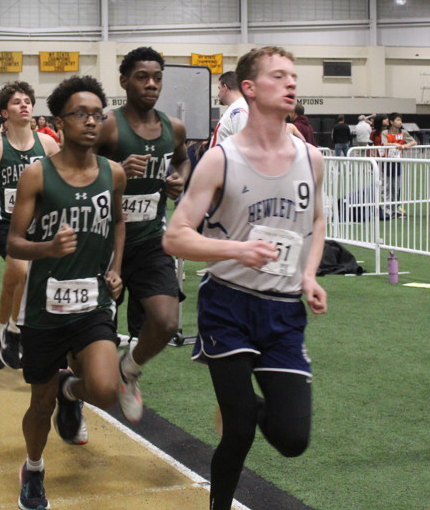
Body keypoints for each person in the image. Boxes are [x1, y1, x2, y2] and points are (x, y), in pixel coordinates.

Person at [163, 46, 327, 510]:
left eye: (293, 75)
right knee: (237, 432)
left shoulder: (312, 158)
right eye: (279, 76)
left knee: (292, 439)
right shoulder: (221, 160)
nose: (291, 83)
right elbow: (175, 237)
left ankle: (245, 405)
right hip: (228, 303)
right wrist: (238, 250)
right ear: (249, 89)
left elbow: (318, 221)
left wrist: (309, 274)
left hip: (284, 310)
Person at [6, 75, 126, 510]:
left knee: (107, 389)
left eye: (98, 114)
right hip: (44, 308)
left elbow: (118, 222)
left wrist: (116, 269)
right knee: (39, 404)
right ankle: (34, 468)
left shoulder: (113, 173)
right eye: (81, 114)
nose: (92, 122)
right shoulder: (37, 174)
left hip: (93, 301)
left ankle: (70, 392)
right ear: (60, 121)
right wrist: (48, 248)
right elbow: (13, 243)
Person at [95, 46, 190, 423]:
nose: (151, 84)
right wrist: (116, 169)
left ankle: (129, 369)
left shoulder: (173, 127)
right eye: (142, 77)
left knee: (166, 323)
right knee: (91, 338)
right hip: (103, 242)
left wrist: (179, 178)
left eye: (157, 78)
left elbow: (182, 159)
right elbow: (77, 168)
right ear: (124, 82)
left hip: (151, 240)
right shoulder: (108, 125)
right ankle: (73, 396)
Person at [0, 82, 60, 372]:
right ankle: (15, 332)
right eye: (16, 102)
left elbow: (60, 179)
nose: (24, 105)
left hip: (38, 226)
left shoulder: (48, 144)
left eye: (27, 101)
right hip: (5, 223)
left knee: (15, 280)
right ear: (5, 112)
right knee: (21, 272)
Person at [383, 113, 416, 216]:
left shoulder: (403, 132)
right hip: (386, 162)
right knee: (387, 186)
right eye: (397, 120)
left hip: (398, 162)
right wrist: (394, 144)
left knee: (396, 186)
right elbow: (384, 144)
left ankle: (396, 207)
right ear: (391, 122)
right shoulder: (385, 132)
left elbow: (414, 142)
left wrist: (406, 145)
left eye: (401, 120)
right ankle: (387, 208)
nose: (400, 122)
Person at [211, 71, 246, 148]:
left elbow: (244, 146)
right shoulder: (235, 109)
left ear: (225, 87)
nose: (218, 94)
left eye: (219, 88)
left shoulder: (239, 111)